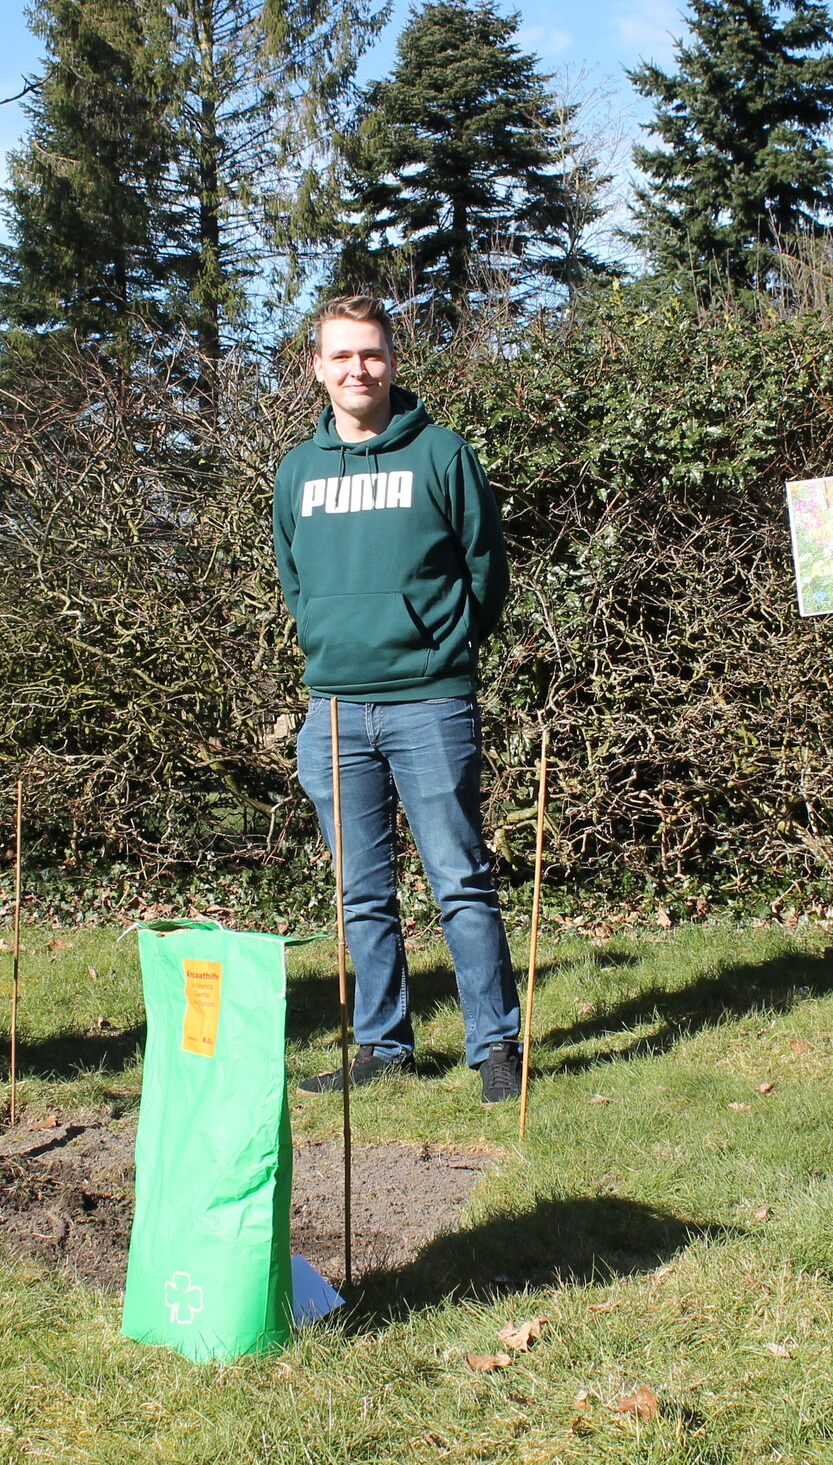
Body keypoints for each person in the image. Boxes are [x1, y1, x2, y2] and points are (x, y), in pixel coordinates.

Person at [273, 294, 523, 1104]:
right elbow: (294, 579)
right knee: (360, 890)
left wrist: (441, 647)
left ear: (392, 359)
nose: (358, 369)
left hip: (430, 702)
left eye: (371, 353)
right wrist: (328, 636)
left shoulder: (443, 455)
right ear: (317, 366)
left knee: (459, 878)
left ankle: (495, 1046)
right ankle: (382, 1044)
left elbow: (487, 573)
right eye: (341, 355)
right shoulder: (297, 472)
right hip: (335, 710)